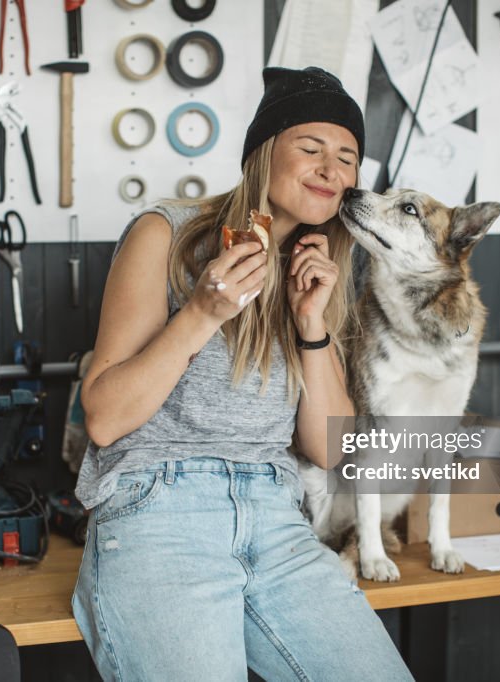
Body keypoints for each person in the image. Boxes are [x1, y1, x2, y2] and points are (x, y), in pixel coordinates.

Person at [72, 66, 414, 681]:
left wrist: (311, 324)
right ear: (263, 153)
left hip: (278, 517)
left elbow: (330, 450)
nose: (331, 169)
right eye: (310, 148)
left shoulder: (317, 271)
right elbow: (103, 417)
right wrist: (203, 312)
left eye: (348, 158)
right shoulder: (166, 235)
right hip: (159, 512)